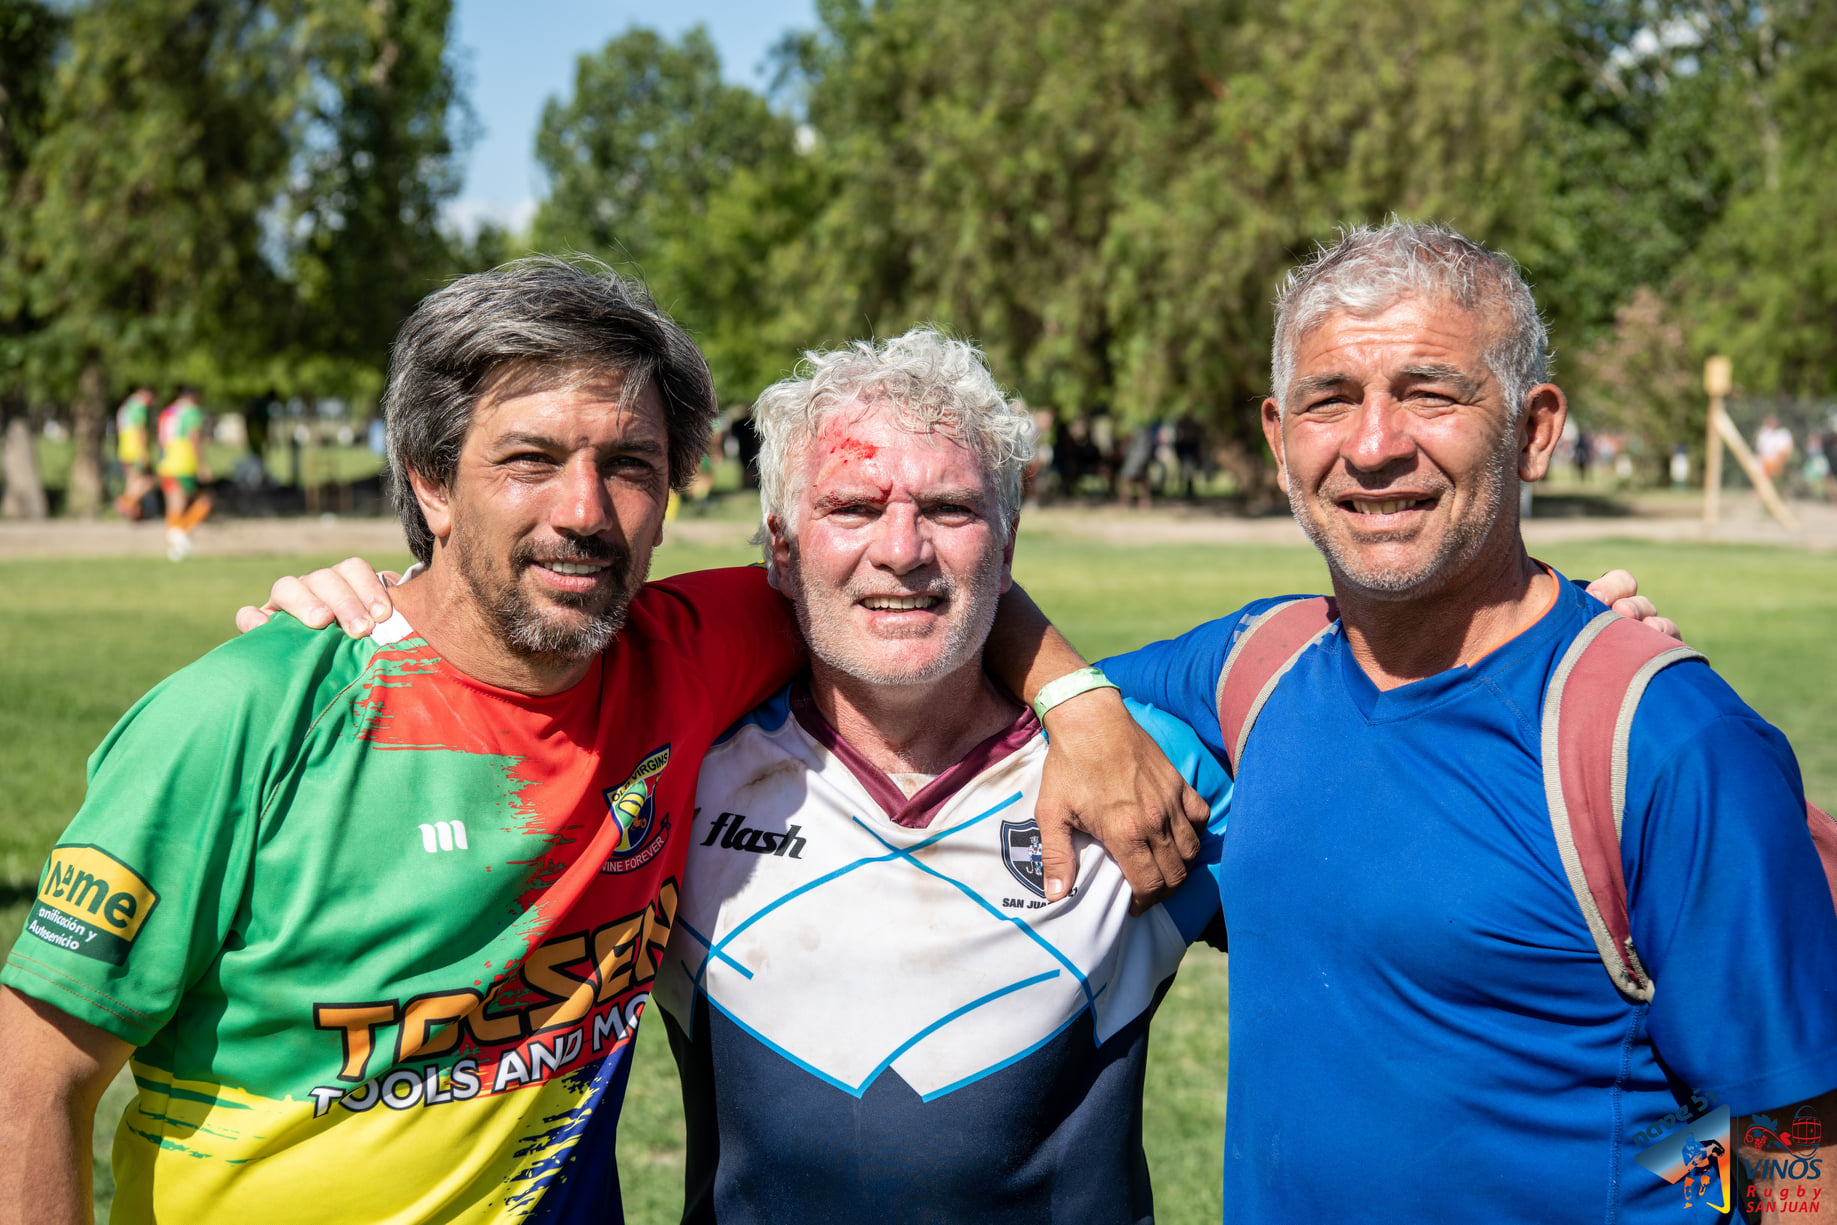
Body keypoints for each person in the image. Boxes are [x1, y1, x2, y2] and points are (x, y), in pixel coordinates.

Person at [0, 258, 1198, 1225]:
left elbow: (914, 580)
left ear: (670, 496)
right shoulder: (251, 712)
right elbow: (29, 1082)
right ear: (430, 484)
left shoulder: (688, 656)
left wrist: (1076, 698)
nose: (582, 511)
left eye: (627, 466)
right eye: (528, 460)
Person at [1099, 221, 1837, 1221]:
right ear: (1278, 440)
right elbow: (978, 673)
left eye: (1431, 394)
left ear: (1533, 430)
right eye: (1329, 400)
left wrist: (1636, 1184)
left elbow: (1799, 1155)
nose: (1372, 446)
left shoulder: (1665, 740)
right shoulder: (1257, 666)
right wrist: (1070, 708)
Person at [651, 329, 1230, 1223]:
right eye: (852, 506)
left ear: (1006, 548)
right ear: (781, 548)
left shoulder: (1138, 768)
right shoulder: (674, 774)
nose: (902, 548)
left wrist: (1078, 702)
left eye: (950, 508)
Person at [154, 386, 212, 559]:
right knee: (204, 500)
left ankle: (175, 547)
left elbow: (161, 439)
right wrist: (201, 464)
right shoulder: (192, 412)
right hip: (184, 463)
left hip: (166, 462)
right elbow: (194, 438)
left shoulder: (168, 412)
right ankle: (179, 533)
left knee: (174, 506)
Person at [111, 387, 160, 520]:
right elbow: (140, 430)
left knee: (132, 481)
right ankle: (125, 503)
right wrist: (144, 452)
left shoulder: (126, 406)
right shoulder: (139, 407)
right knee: (148, 481)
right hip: (136, 450)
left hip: (125, 449)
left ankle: (131, 511)